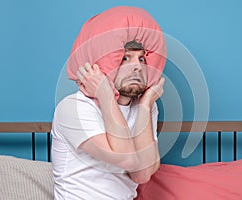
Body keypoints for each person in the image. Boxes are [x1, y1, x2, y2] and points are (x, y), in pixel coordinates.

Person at [51, 6, 166, 200]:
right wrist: (105, 93)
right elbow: (127, 159)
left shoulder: (146, 106)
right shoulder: (73, 108)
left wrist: (145, 106)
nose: (137, 66)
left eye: (142, 58)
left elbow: (142, 174)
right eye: (124, 58)